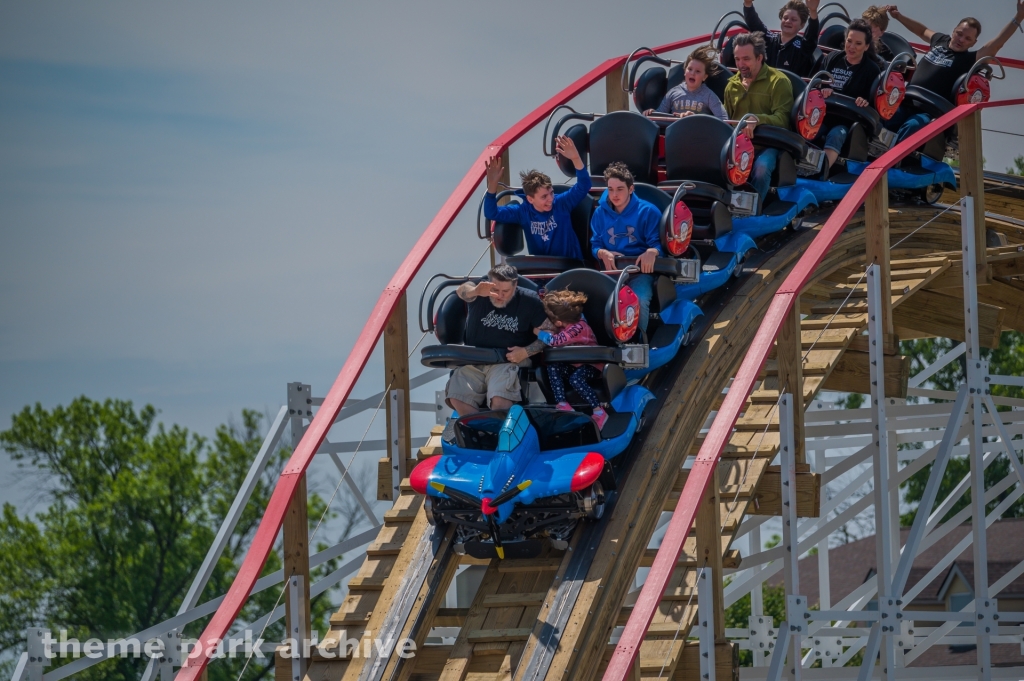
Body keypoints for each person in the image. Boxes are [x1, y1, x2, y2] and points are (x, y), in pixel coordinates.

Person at [883, 2, 1024, 141]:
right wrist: (898, 16)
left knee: (912, 126)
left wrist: (1018, 17)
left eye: (967, 38)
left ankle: (892, 162)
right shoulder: (940, 40)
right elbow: (921, 30)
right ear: (954, 31)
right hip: (907, 100)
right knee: (882, 117)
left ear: (973, 43)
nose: (961, 40)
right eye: (959, 34)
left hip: (929, 111)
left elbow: (997, 44)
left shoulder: (970, 59)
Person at [444, 264, 549, 418]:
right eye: (495, 290)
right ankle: (480, 431)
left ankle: (497, 432)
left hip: (507, 360)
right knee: (458, 398)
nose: (499, 295)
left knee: (500, 401)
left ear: (515, 286)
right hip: (475, 361)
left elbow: (550, 333)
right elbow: (461, 291)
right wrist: (476, 291)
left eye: (505, 291)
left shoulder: (529, 300)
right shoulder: (480, 292)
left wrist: (526, 352)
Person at [483, 136, 591, 261]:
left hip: (569, 266)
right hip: (542, 270)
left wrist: (576, 158)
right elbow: (491, 213)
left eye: (551, 193)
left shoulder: (561, 203)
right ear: (530, 199)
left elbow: (584, 185)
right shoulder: (523, 212)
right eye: (544, 197)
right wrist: (492, 186)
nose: (550, 199)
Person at [590, 162, 663, 334]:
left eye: (620, 189)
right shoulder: (600, 213)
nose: (614, 194)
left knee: (637, 299)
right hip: (612, 273)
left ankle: (638, 344)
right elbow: (595, 244)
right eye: (610, 189)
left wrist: (652, 251)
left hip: (640, 273)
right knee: (597, 300)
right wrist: (602, 252)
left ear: (631, 189)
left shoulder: (648, 211)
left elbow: (659, 244)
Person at [723, 31, 795, 206]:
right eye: (737, 59)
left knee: (761, 168)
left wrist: (758, 119)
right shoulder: (731, 85)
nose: (741, 64)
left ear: (759, 58)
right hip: (739, 145)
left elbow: (784, 119)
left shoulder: (778, 82)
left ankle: (754, 211)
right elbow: (726, 119)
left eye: (746, 59)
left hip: (770, 144)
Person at [533, 290, 609, 429]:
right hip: (575, 364)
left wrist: (538, 332)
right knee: (553, 365)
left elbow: (555, 341)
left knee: (575, 379)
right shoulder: (572, 321)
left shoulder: (578, 328)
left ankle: (599, 411)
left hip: (591, 365)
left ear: (559, 321)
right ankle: (562, 403)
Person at [817, 19, 882, 175]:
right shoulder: (832, 58)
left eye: (858, 44)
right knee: (812, 131)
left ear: (866, 46)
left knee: (836, 135)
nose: (852, 47)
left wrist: (864, 101)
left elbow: (873, 102)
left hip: (847, 120)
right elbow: (816, 82)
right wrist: (823, 89)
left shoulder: (871, 70)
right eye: (849, 41)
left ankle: (821, 173)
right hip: (824, 114)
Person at [644, 46, 729, 120]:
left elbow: (723, 119)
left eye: (698, 71)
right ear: (685, 71)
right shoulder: (673, 93)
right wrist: (652, 113)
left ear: (704, 77)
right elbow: (660, 114)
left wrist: (696, 118)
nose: (692, 73)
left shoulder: (708, 95)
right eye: (690, 69)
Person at [741, 0, 822, 76]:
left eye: (793, 19)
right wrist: (747, 3)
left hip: (792, 90)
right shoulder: (769, 39)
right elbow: (754, 23)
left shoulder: (803, 47)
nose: (788, 21)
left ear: (802, 25)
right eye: (785, 18)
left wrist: (813, 11)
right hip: (765, 87)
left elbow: (812, 34)